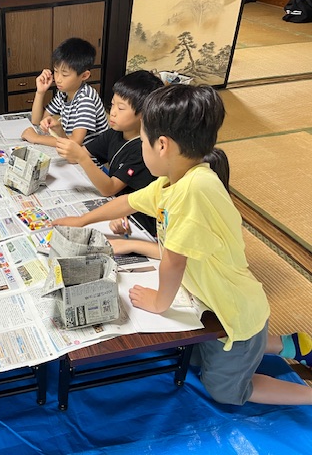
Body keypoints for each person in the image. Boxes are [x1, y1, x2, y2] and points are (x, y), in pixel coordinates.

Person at [53, 84, 312, 406]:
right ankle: (289, 344)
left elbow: (174, 262)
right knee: (199, 354)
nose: (142, 148)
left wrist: (160, 302)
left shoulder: (193, 192)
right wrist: (81, 220)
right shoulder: (176, 180)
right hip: (211, 301)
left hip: (235, 314)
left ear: (162, 145)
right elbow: (129, 202)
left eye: (142, 142)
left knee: (226, 390)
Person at [55, 70, 163, 236]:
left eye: (121, 108)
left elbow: (109, 188)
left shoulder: (143, 149)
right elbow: (75, 156)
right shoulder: (115, 133)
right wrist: (59, 132)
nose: (112, 112)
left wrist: (82, 158)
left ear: (144, 115)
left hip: (138, 222)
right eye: (113, 104)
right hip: (117, 209)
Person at [21, 37, 108, 147]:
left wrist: (36, 138)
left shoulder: (86, 99)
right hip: (72, 149)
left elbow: (75, 142)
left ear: (84, 76)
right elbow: (37, 121)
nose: (58, 79)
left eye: (65, 74)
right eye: (56, 71)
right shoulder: (63, 92)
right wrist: (40, 92)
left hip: (89, 155)